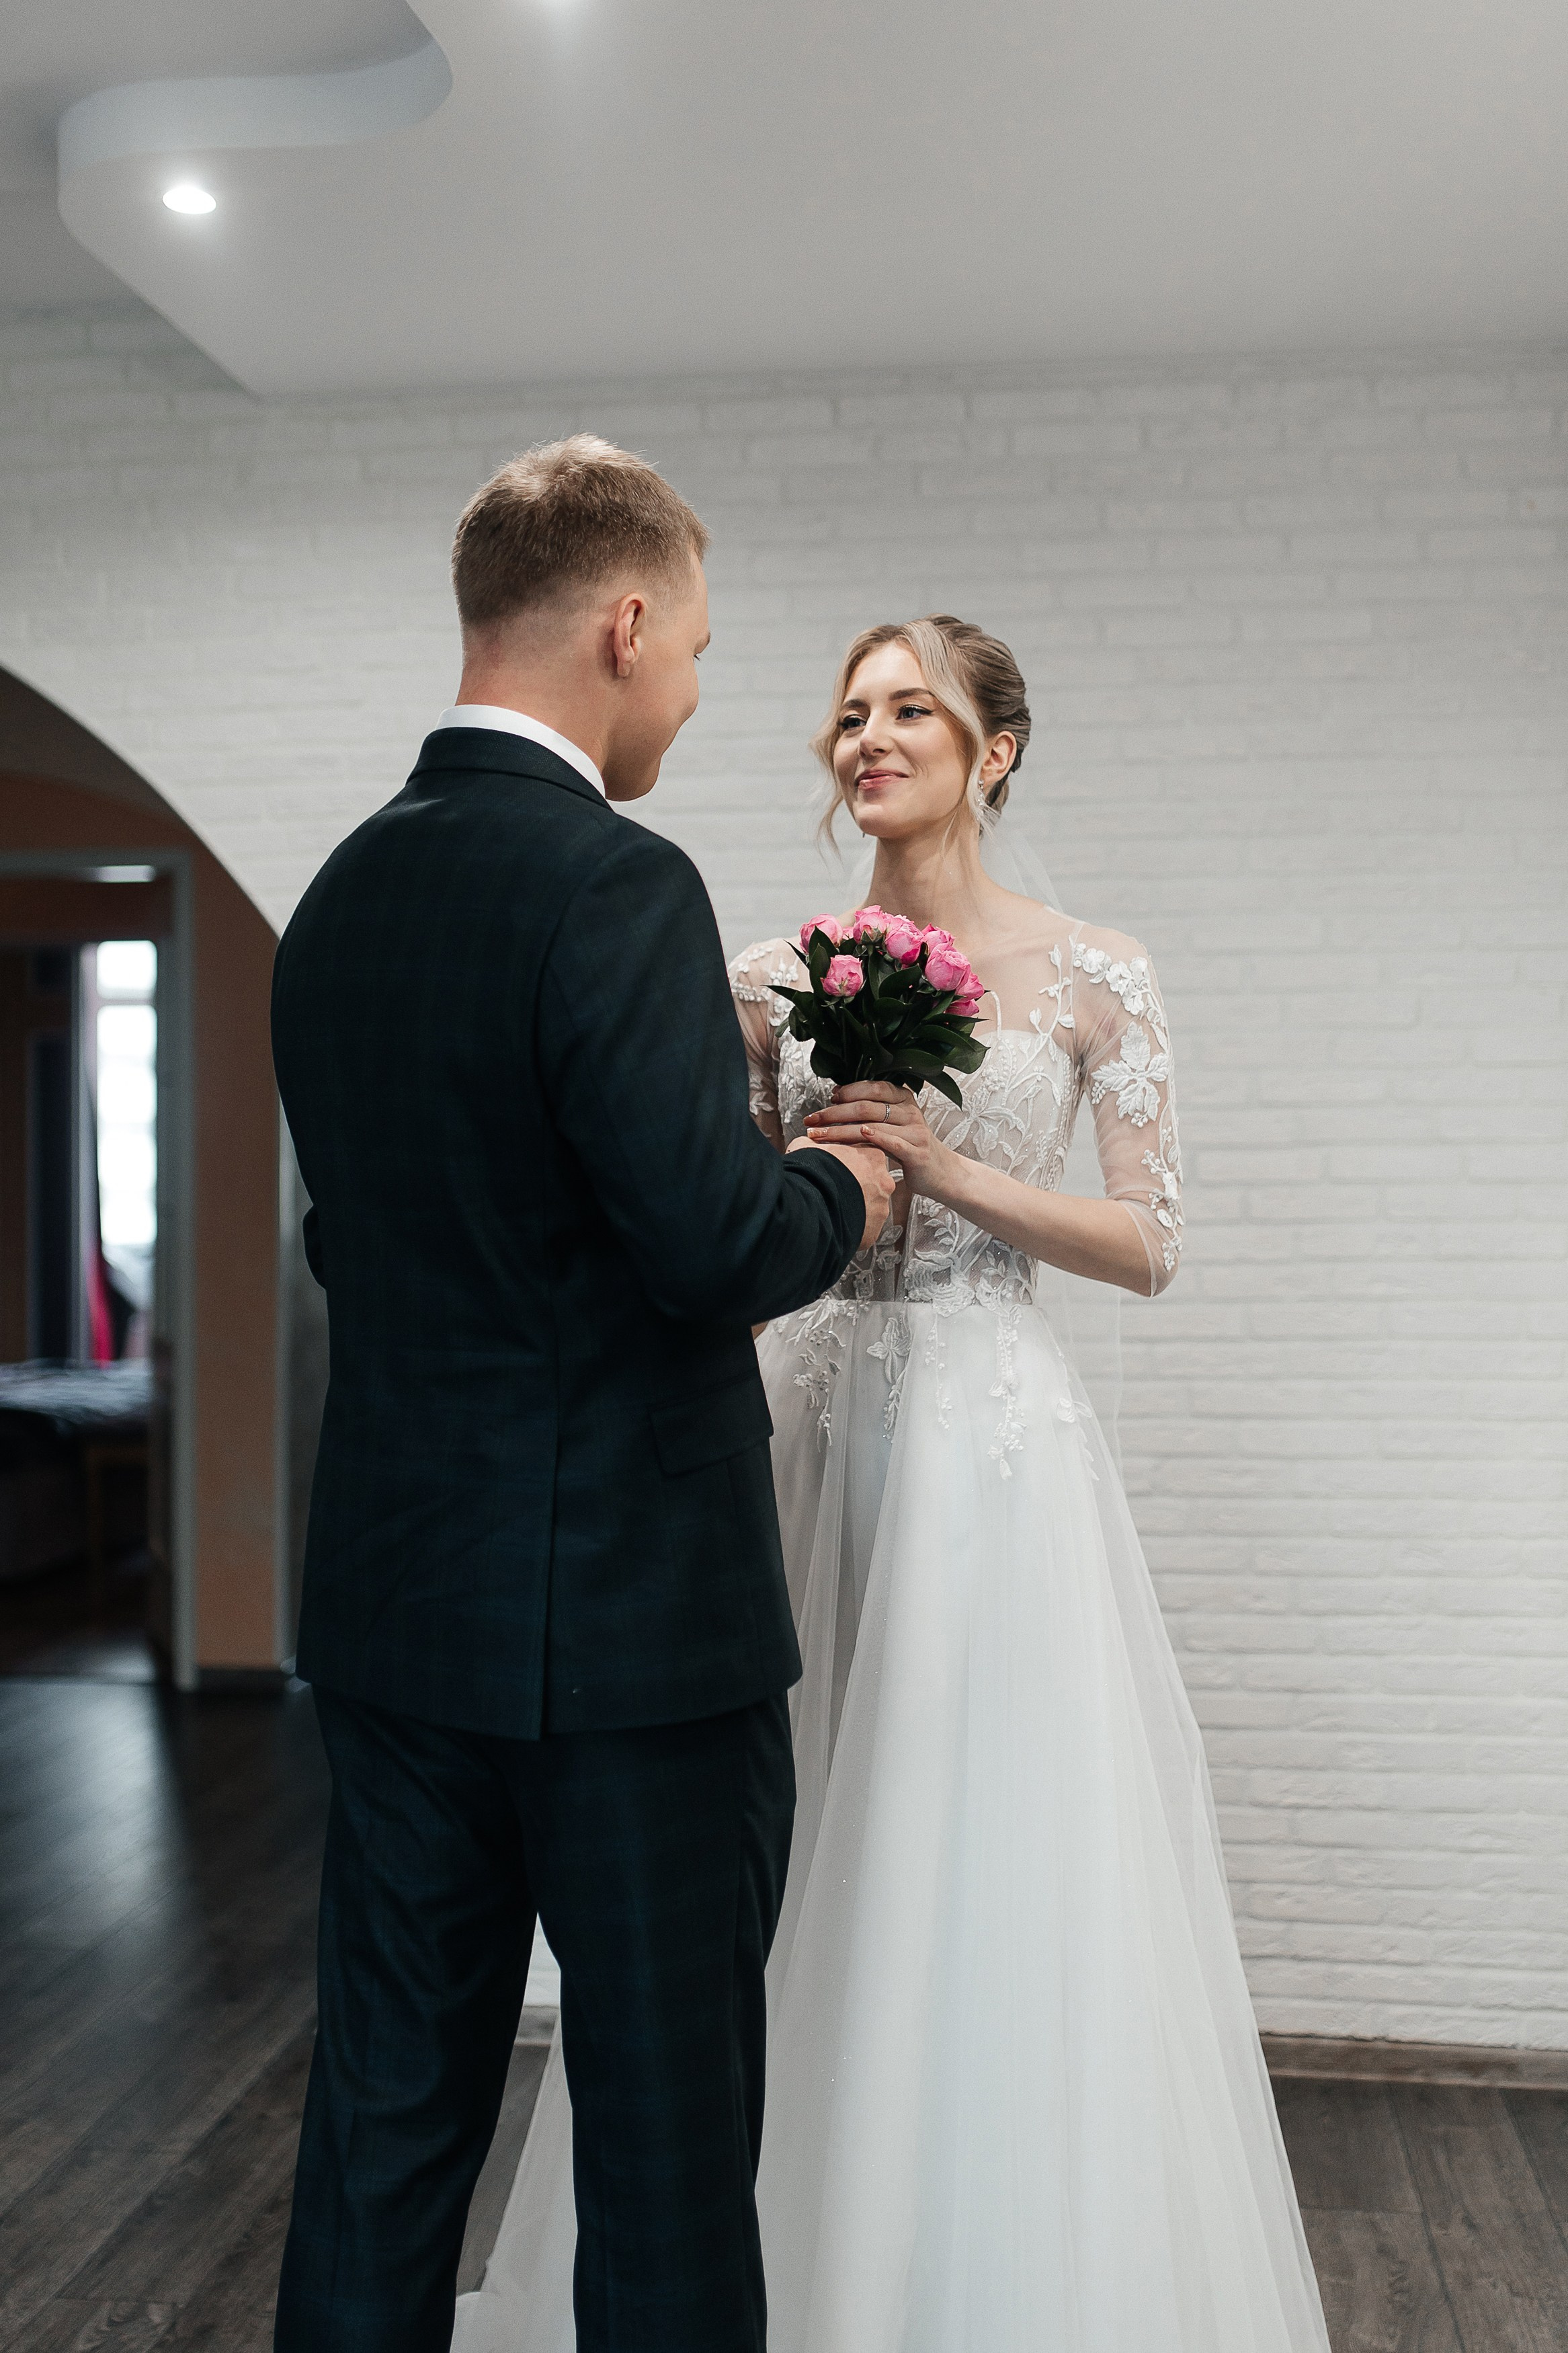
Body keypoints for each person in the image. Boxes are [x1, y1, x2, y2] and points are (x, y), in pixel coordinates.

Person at [460, 614, 1331, 2350]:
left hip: (993, 1451)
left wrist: (945, 1167)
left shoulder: (1098, 974)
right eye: (846, 710)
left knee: (983, 1843)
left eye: (908, 706)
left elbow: (1150, 1242)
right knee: (754, 1853)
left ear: (994, 746)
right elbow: (703, 1223)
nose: (864, 735)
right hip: (796, 1425)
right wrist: (810, 1164)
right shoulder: (768, 975)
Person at [269, 435, 895, 2353]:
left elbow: (353, 1246)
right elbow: (713, 1242)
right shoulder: (621, 885)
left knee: (383, 2127)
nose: (698, 696)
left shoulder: (338, 898)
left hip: (394, 1621)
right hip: (636, 1648)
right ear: (623, 624)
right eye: (697, 652)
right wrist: (844, 1186)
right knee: (662, 2148)